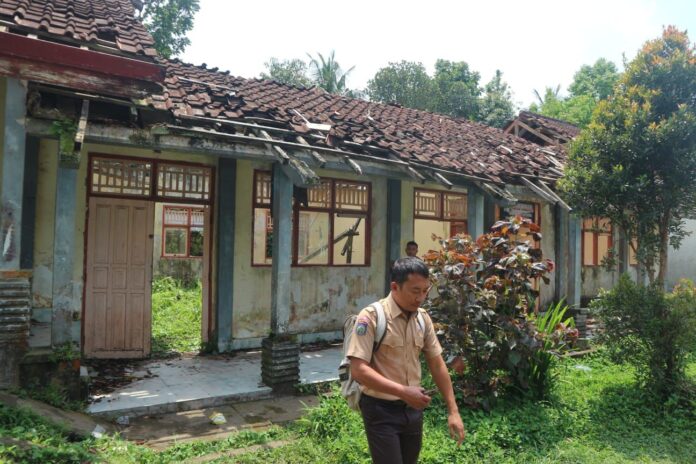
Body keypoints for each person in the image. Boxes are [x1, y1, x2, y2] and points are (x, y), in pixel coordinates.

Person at [347, 257, 466, 464]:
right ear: (395, 287)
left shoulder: (422, 318)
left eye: (425, 291)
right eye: (415, 291)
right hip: (380, 409)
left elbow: (437, 364)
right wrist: (403, 391)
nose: (421, 298)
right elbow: (358, 370)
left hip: (413, 410)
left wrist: (453, 410)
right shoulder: (371, 317)